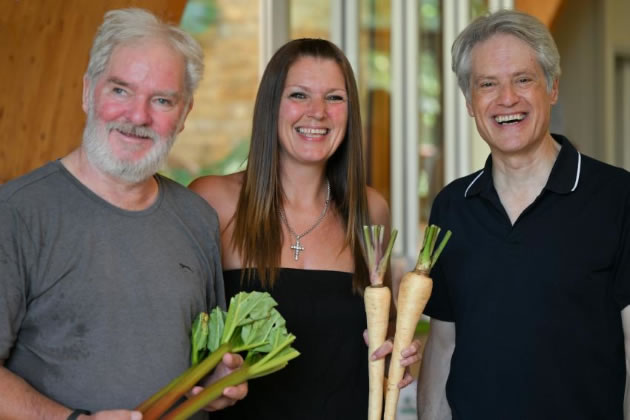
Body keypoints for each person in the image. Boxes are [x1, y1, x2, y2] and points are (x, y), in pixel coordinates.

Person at [0, 8, 247, 419]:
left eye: (162, 100)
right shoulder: (16, 213)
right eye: (120, 90)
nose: (138, 116)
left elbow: (200, 366)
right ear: (87, 91)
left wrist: (217, 382)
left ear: (184, 115)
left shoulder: (197, 219)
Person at [189, 38, 421, 419]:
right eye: (299, 95)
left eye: (334, 98)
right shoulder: (213, 201)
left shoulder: (371, 210)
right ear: (271, 106)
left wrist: (396, 347)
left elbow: (385, 324)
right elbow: (180, 335)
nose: (318, 113)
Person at [417, 9, 630, 420]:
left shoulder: (617, 197)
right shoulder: (451, 207)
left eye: (523, 79)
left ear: (552, 88)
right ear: (469, 101)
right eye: (488, 85)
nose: (507, 99)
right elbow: (443, 345)